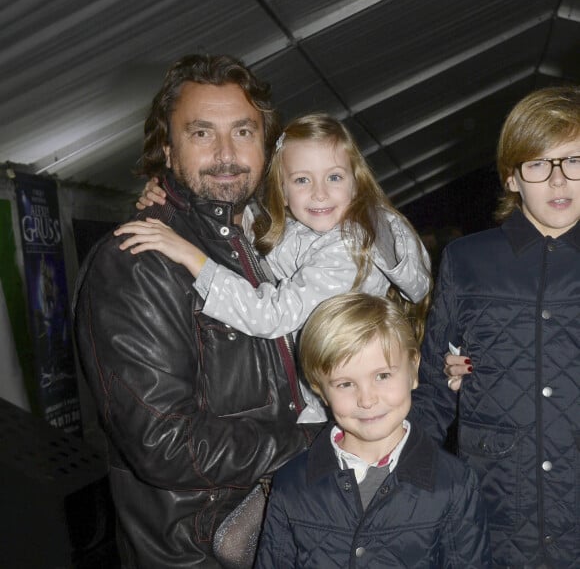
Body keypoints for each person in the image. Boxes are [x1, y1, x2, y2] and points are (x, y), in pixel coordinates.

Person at [73, 53, 319, 568]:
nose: (226, 154)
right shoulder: (140, 262)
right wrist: (318, 443)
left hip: (289, 533)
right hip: (203, 552)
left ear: (267, 145)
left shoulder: (272, 240)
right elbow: (164, 444)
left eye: (244, 132)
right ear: (167, 148)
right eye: (202, 133)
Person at [116, 113, 431, 421]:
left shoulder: (348, 249)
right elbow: (252, 228)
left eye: (334, 177)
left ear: (356, 183)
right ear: (282, 187)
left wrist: (190, 256)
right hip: (325, 396)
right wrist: (168, 196)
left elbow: (270, 314)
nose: (319, 192)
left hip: (352, 405)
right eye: (302, 180)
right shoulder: (304, 230)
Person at [411, 86, 580, 568]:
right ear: (511, 177)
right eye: (538, 164)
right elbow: (433, 393)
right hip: (496, 512)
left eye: (573, 161)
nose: (558, 180)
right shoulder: (467, 260)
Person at [254, 292, 491, 568]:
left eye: (382, 376)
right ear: (320, 389)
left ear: (414, 370)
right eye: (345, 384)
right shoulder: (291, 484)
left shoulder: (455, 485)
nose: (367, 400)